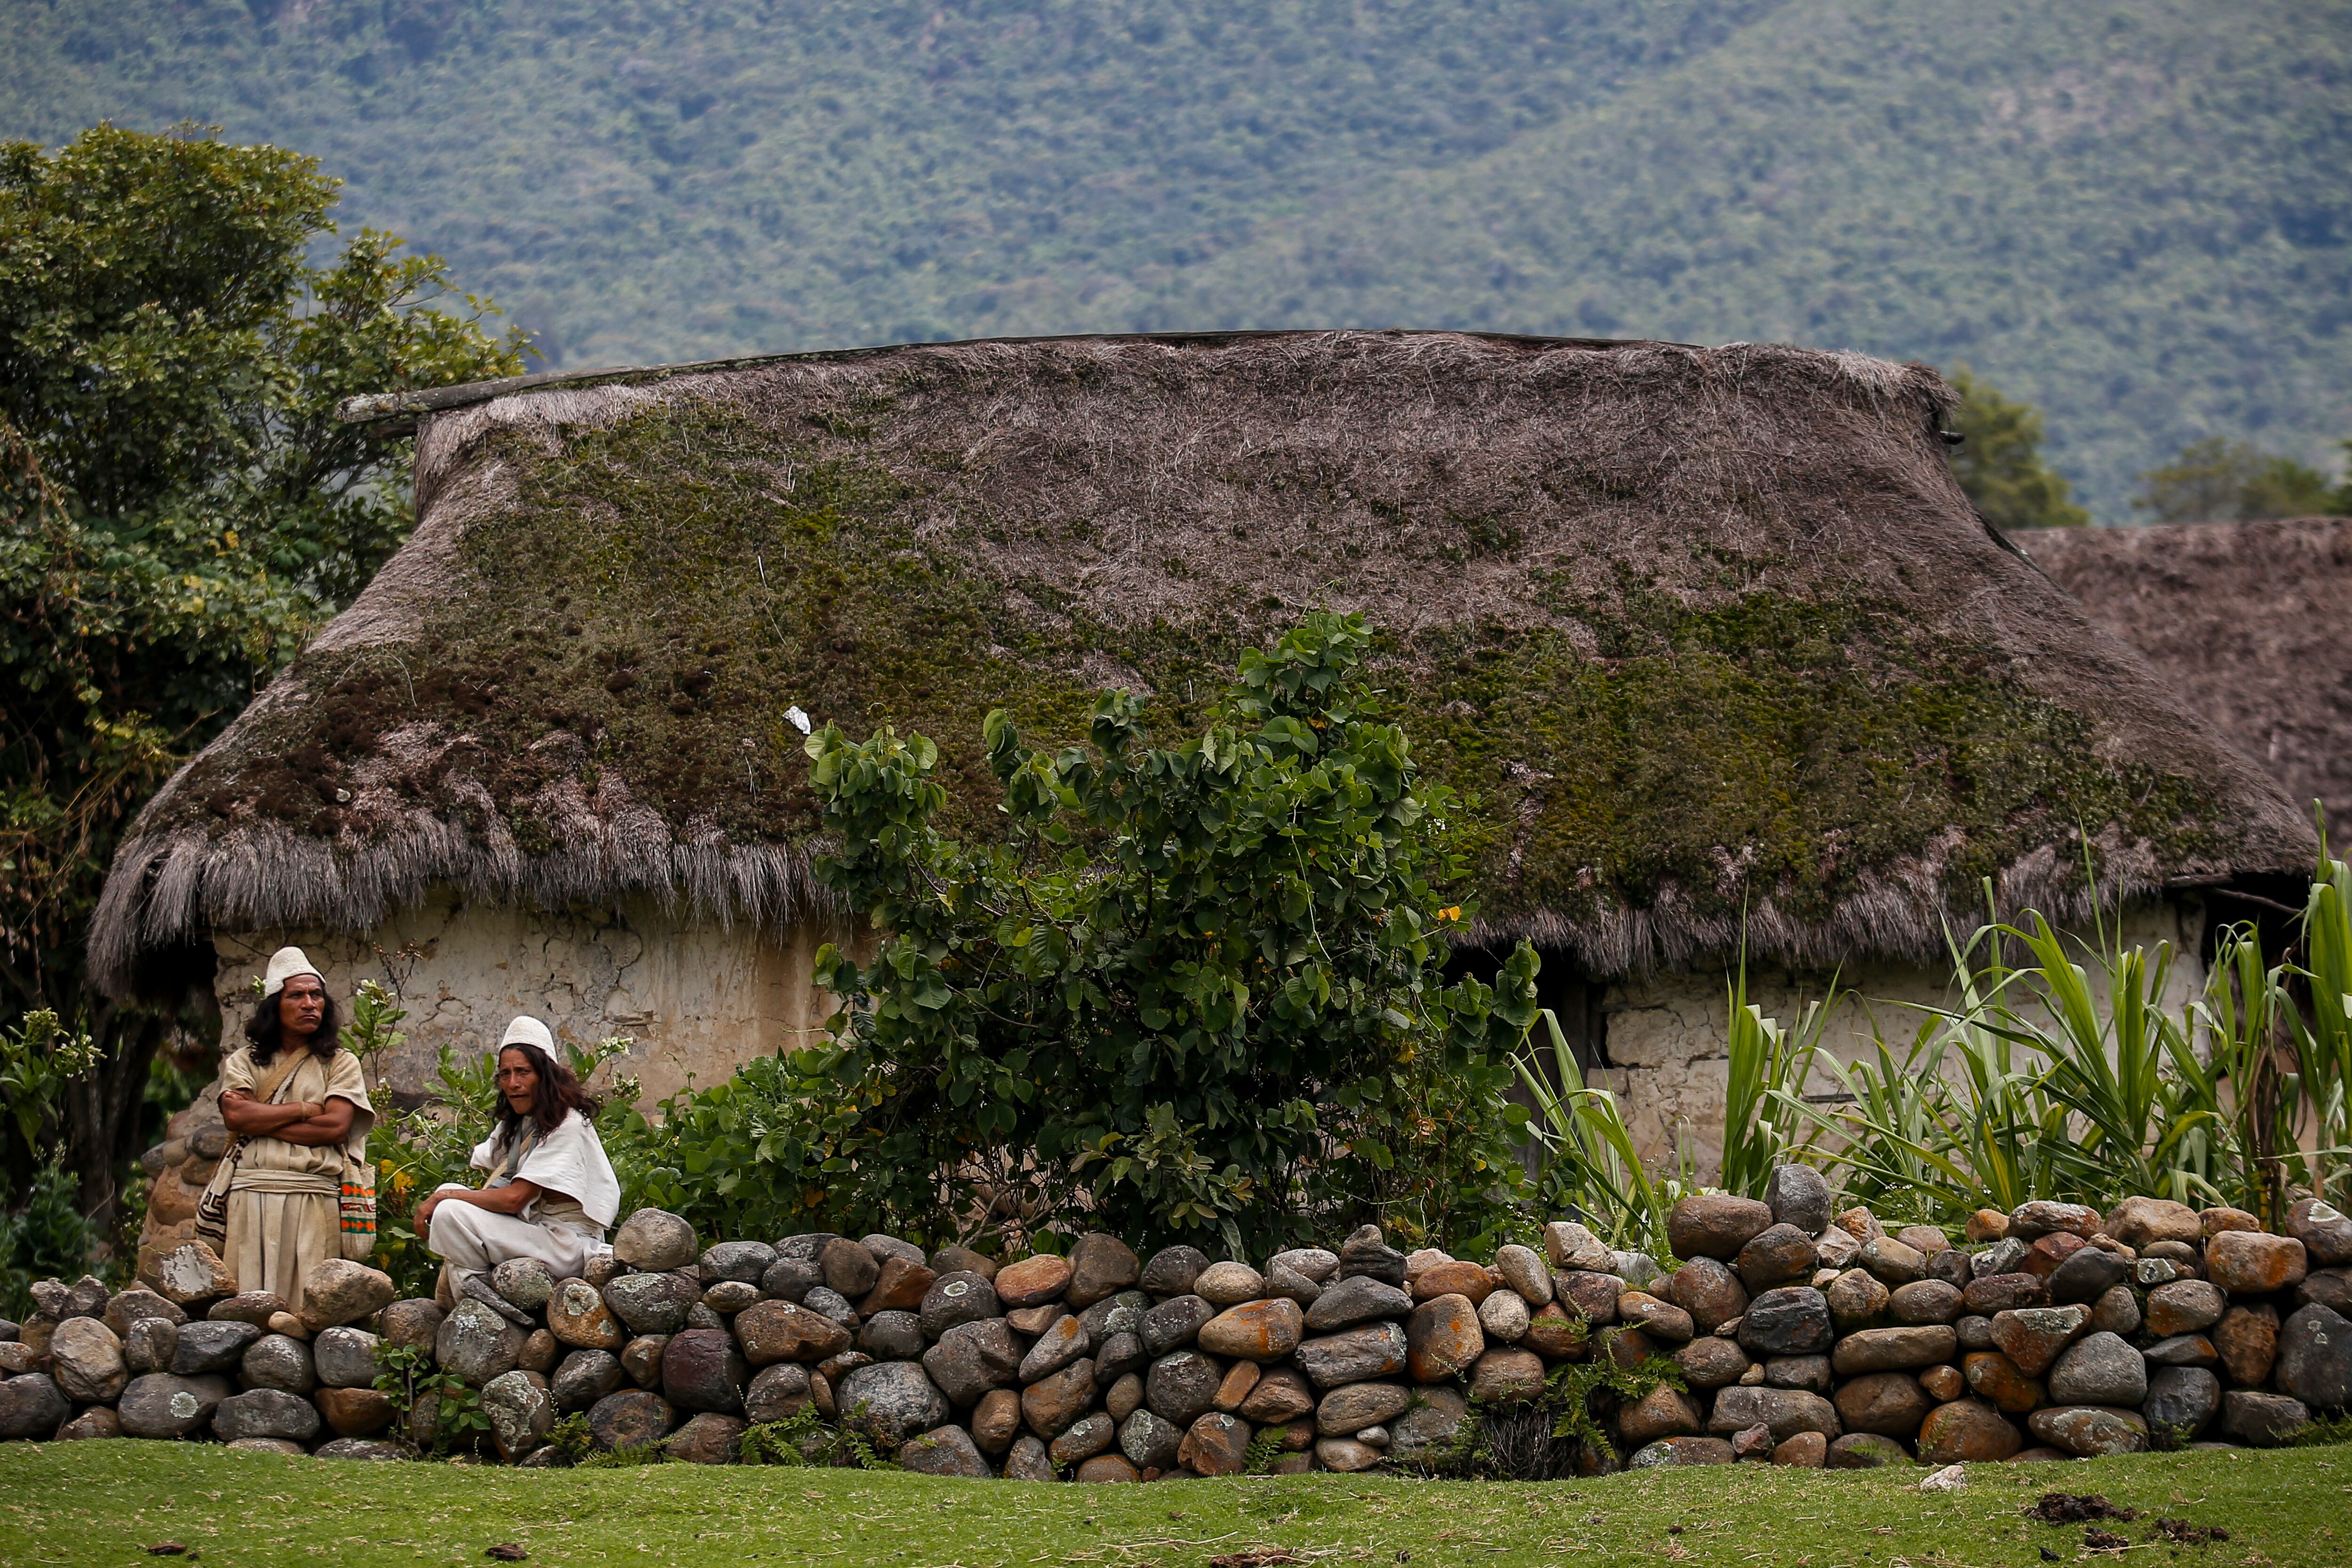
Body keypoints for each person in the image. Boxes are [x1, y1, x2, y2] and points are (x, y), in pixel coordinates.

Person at [416, 1017, 619, 1315]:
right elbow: (494, 1177)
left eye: (524, 1072)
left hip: (566, 1246)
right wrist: (447, 1195)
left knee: (449, 1210)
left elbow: (514, 1199)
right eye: (505, 1074)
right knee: (450, 1197)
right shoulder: (522, 1124)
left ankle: (476, 1302)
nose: (513, 1083)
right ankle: (478, 1296)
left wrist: (443, 1199)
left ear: (545, 1075)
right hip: (536, 1233)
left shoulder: (569, 1124)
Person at [214, 947, 375, 1311]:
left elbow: (336, 1126)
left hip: (313, 1199)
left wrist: (261, 1121)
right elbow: (235, 1117)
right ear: (275, 1005)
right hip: (250, 1199)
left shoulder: (341, 1063)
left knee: (309, 1309)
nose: (309, 1004)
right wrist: (304, 1109)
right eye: (297, 995)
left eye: (316, 995)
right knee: (247, 1309)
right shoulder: (245, 1062)